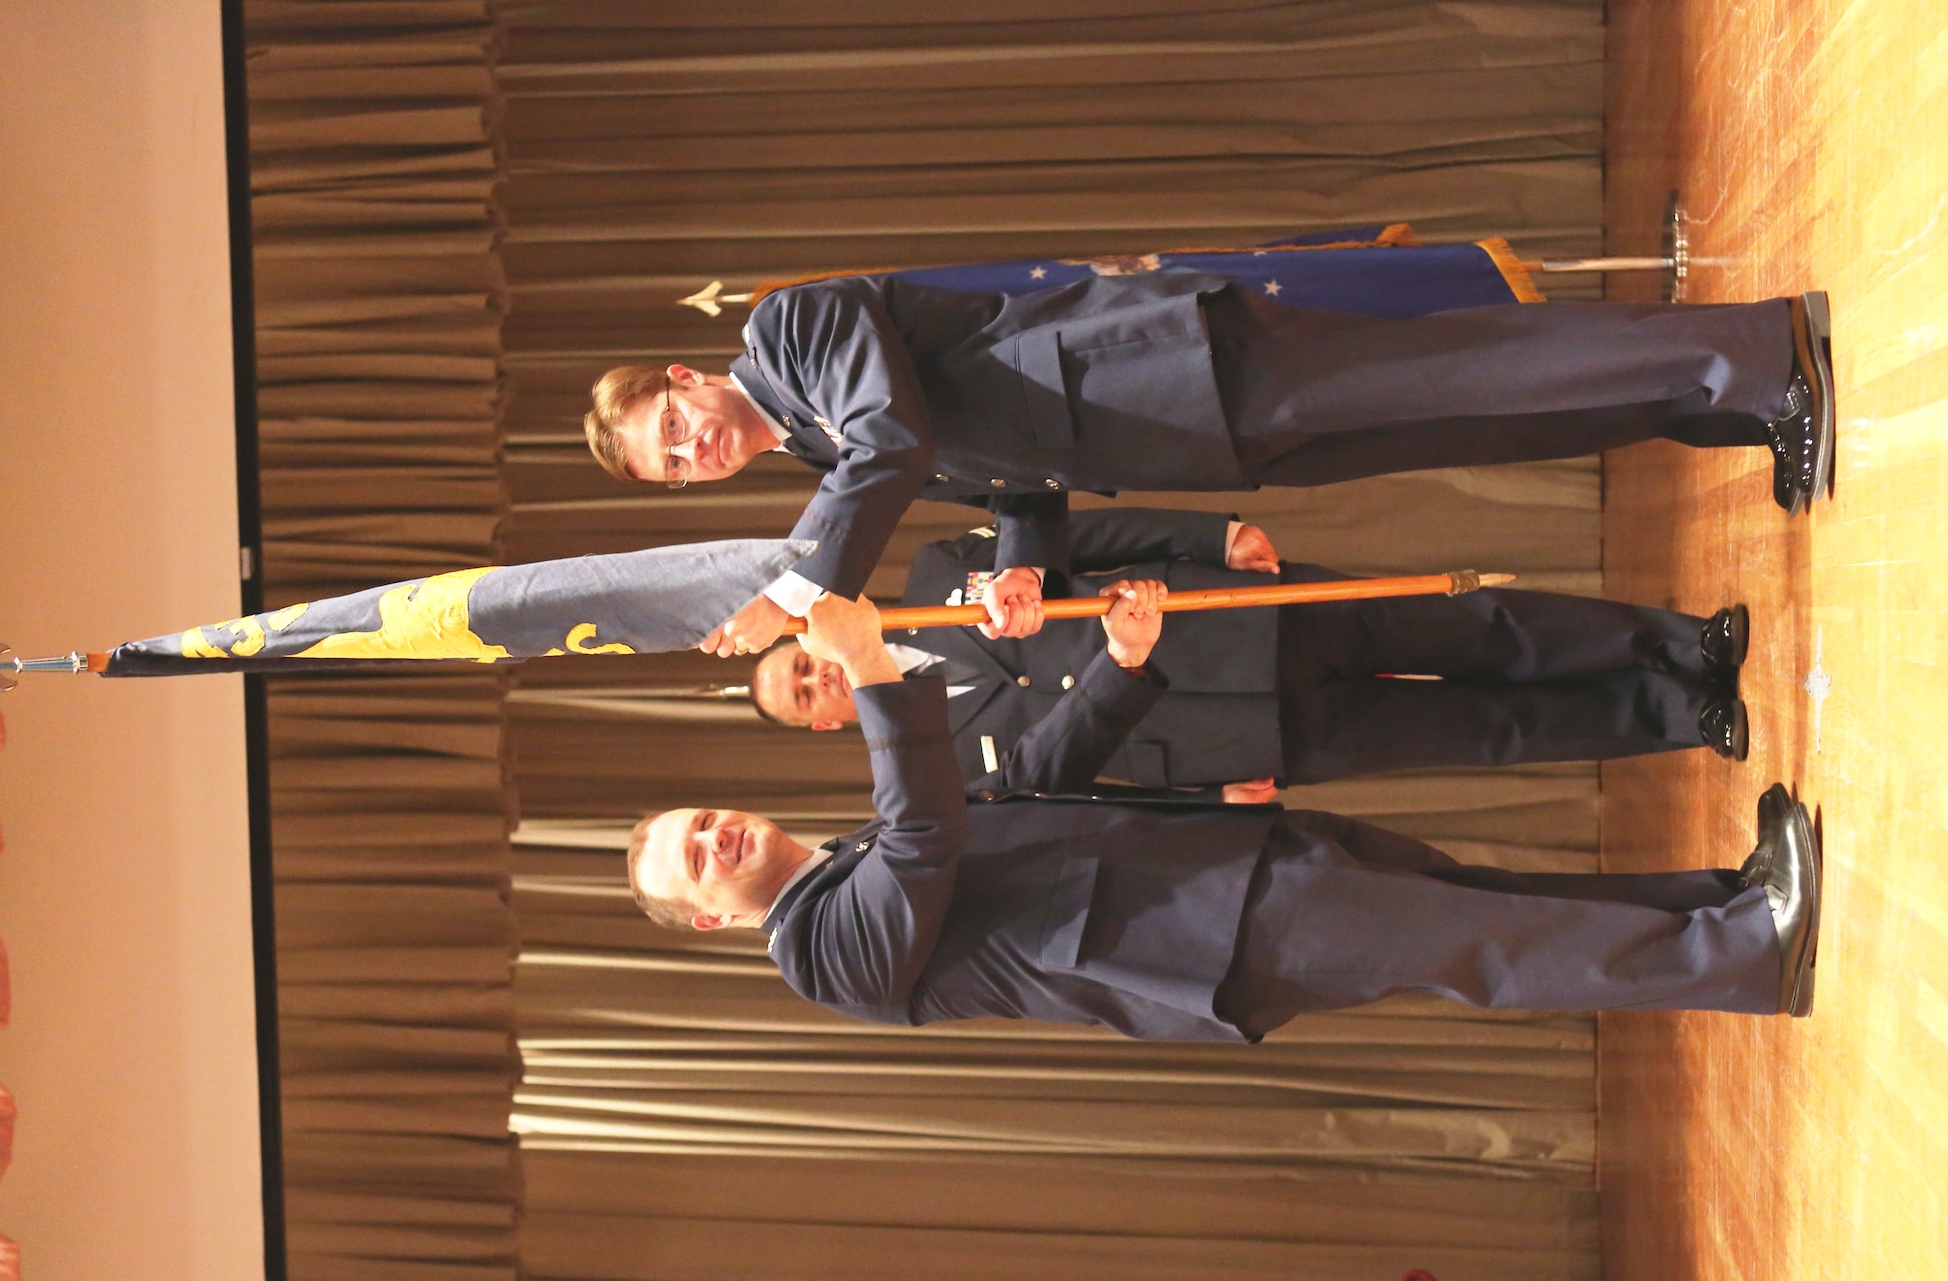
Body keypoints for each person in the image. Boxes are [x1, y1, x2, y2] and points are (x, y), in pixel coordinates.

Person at [626, 591, 1823, 1043]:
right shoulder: (817, 953)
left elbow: (1031, 779)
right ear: (711, 922)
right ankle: (1749, 950)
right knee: (1483, 945)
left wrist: (1121, 667)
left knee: (1481, 902)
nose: (718, 834)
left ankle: (1719, 901)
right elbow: (934, 840)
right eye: (699, 857)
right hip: (1203, 937)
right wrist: (875, 671)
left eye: (707, 815)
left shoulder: (845, 849)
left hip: (1212, 863)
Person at [581, 277, 1833, 655]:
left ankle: (1752, 353)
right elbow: (1015, 486)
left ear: (683, 379)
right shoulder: (814, 445)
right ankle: (1716, 407)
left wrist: (803, 590)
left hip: (1165, 364)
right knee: (1464, 424)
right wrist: (1022, 578)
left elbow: (894, 440)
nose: (693, 453)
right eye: (676, 472)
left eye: (672, 429)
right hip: (1170, 437)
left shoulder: (785, 338)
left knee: (1466, 366)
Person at [751, 507, 1758, 779]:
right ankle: (1680, 713)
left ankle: (1677, 640)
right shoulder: (922, 767)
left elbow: (1074, 536)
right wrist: (1207, 807)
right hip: (1229, 745)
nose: (814, 670)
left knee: (1478, 626)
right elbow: (1068, 780)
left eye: (799, 654)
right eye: (803, 690)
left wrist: (1204, 535)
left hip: (1227, 616)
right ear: (824, 717)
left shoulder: (936, 575)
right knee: (1480, 728)